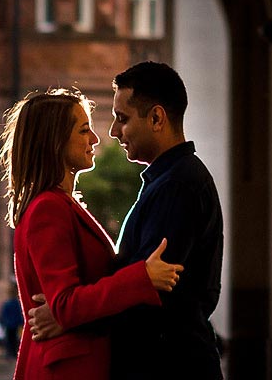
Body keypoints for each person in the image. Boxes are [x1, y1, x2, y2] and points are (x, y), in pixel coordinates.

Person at [28, 62, 224, 380]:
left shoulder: (178, 184)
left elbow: (150, 294)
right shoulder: (171, 180)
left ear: (157, 118)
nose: (112, 132)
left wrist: (69, 316)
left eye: (123, 119)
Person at [0, 87, 185, 380]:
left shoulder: (61, 204)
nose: (95, 138)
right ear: (54, 141)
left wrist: (65, 315)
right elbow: (65, 304)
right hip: (66, 369)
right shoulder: (48, 208)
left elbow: (64, 308)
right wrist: (142, 277)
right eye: (84, 130)